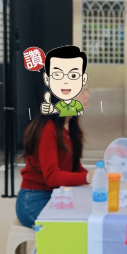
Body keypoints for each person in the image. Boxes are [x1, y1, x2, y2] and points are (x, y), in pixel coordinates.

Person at [16, 87, 92, 228]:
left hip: (57, 195)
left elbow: (73, 167)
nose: (87, 96)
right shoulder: (48, 128)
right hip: (34, 200)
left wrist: (96, 176)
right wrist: (87, 177)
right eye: (82, 92)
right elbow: (52, 177)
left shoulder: (69, 125)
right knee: (77, 228)